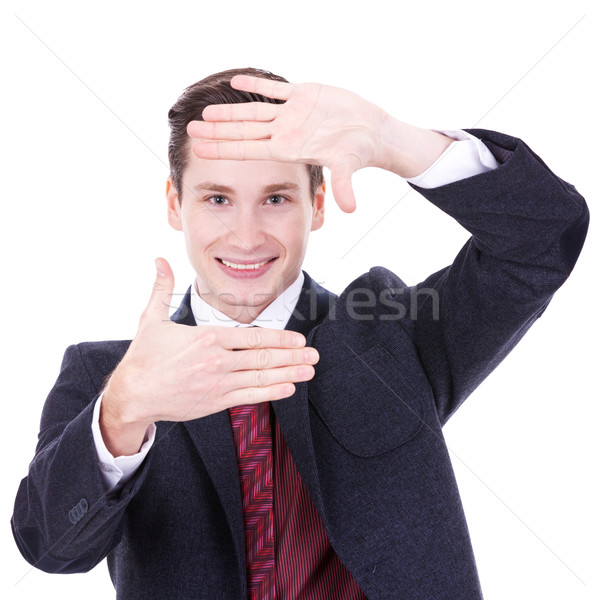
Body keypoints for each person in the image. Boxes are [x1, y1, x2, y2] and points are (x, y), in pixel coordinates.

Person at [11, 67, 589, 600]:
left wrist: (392, 141)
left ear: (316, 205)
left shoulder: (390, 337)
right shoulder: (105, 378)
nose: (245, 237)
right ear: (175, 204)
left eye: (276, 199)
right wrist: (122, 412)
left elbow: (542, 240)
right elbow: (49, 550)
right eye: (217, 199)